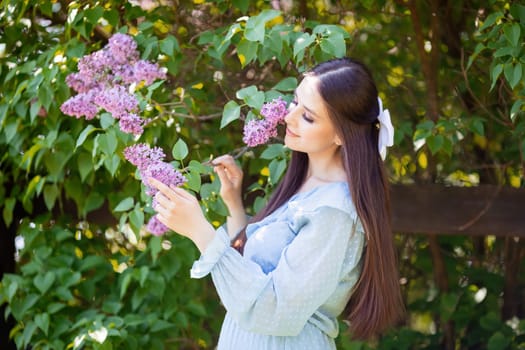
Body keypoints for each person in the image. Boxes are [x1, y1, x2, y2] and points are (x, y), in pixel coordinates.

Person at [149, 57, 405, 349]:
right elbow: (256, 274)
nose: (289, 117)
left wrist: (200, 232)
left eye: (308, 116)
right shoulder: (305, 184)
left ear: (340, 133)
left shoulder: (333, 211)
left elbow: (274, 311)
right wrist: (233, 203)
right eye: (295, 103)